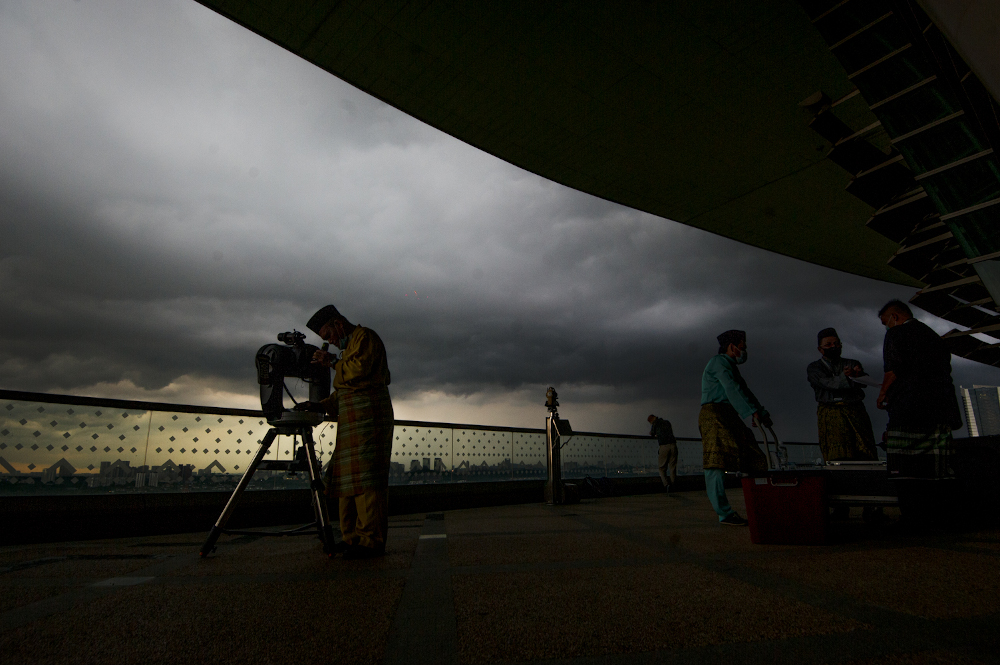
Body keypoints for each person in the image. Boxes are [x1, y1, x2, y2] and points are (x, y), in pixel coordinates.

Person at [307, 304, 394, 558]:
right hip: (351, 427)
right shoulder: (347, 351)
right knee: (347, 483)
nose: (331, 342)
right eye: (326, 341)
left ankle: (370, 541)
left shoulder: (365, 337)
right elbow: (345, 391)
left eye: (329, 336)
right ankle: (352, 538)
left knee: (367, 483)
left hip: (370, 423)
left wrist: (333, 362)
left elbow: (358, 372)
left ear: (338, 324)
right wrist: (318, 405)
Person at [876, 300, 962, 526]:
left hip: (909, 409)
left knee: (905, 469)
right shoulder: (932, 335)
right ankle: (939, 518)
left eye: (885, 322)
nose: (886, 327)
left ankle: (913, 519)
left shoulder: (896, 335)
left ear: (895, 316)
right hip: (940, 409)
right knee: (937, 469)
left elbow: (893, 369)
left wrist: (882, 394)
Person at [698, 330, 769, 526]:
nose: (744, 352)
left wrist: (759, 411)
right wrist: (751, 411)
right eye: (742, 347)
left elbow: (744, 390)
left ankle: (763, 503)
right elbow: (731, 387)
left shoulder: (730, 366)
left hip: (730, 414)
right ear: (732, 347)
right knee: (715, 462)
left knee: (755, 456)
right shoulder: (718, 363)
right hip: (713, 414)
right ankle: (724, 513)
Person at [807, 327, 880, 520]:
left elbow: (862, 381)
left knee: (866, 454)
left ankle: (871, 505)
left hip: (855, 410)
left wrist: (855, 375)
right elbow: (825, 383)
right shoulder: (813, 367)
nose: (833, 347)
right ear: (820, 349)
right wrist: (848, 378)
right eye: (828, 345)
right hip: (830, 413)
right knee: (836, 457)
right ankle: (840, 505)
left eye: (836, 343)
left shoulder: (852, 363)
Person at [648, 414, 678, 492]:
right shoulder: (667, 422)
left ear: (651, 420)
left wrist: (652, 433)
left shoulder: (655, 423)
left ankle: (666, 485)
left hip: (664, 446)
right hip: (673, 445)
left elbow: (652, 433)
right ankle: (674, 484)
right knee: (672, 467)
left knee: (662, 468)